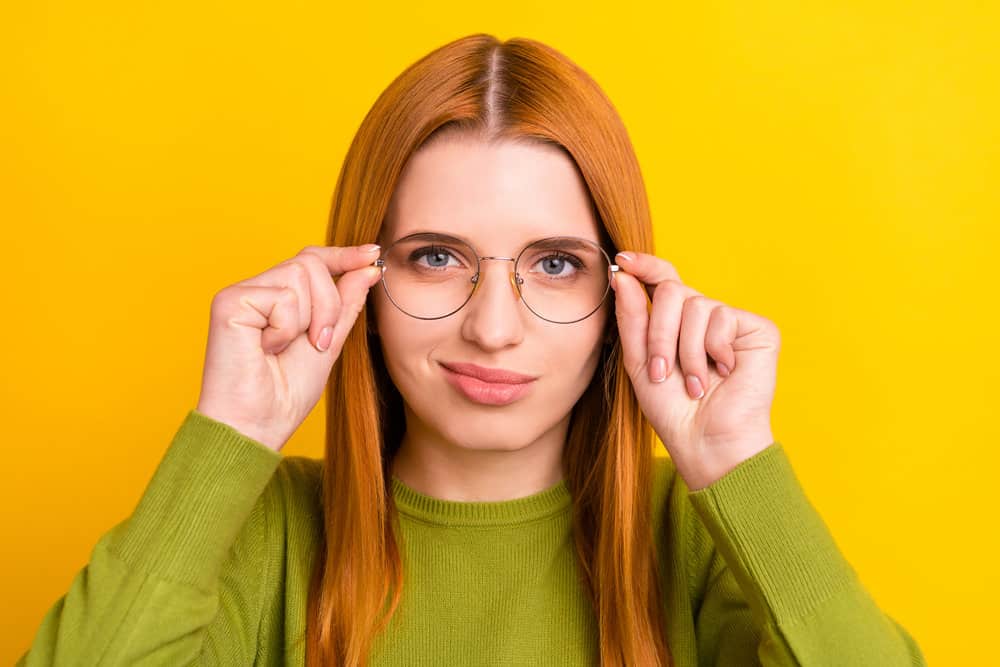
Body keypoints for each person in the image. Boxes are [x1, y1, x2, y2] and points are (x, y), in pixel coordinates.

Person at [17, 33, 926, 666]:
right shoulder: (267, 535)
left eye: (558, 263)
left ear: (622, 298)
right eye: (437, 256)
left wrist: (739, 465)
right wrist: (228, 435)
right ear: (362, 281)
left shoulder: (698, 539)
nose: (494, 326)